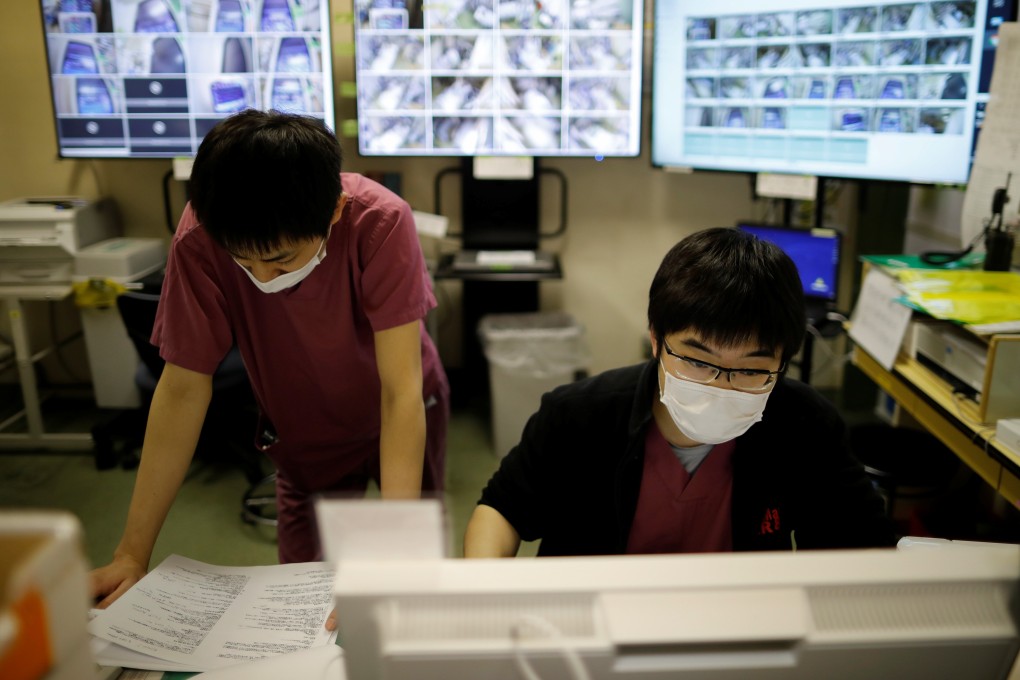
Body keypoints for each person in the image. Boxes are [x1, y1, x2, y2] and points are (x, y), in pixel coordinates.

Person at [91, 110, 449, 614]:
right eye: (243, 261)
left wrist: (391, 560)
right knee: (301, 599)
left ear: (334, 212)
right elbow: (182, 386)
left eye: (281, 259)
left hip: (405, 405)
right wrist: (130, 554)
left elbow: (399, 391)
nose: (261, 275)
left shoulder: (379, 220)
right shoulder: (203, 236)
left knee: (408, 578)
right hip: (304, 423)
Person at [464, 227, 895, 558]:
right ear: (656, 339)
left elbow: (862, 546)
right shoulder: (580, 415)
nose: (718, 384)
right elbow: (501, 510)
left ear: (782, 362)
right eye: (697, 360)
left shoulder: (806, 425)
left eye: (751, 369)